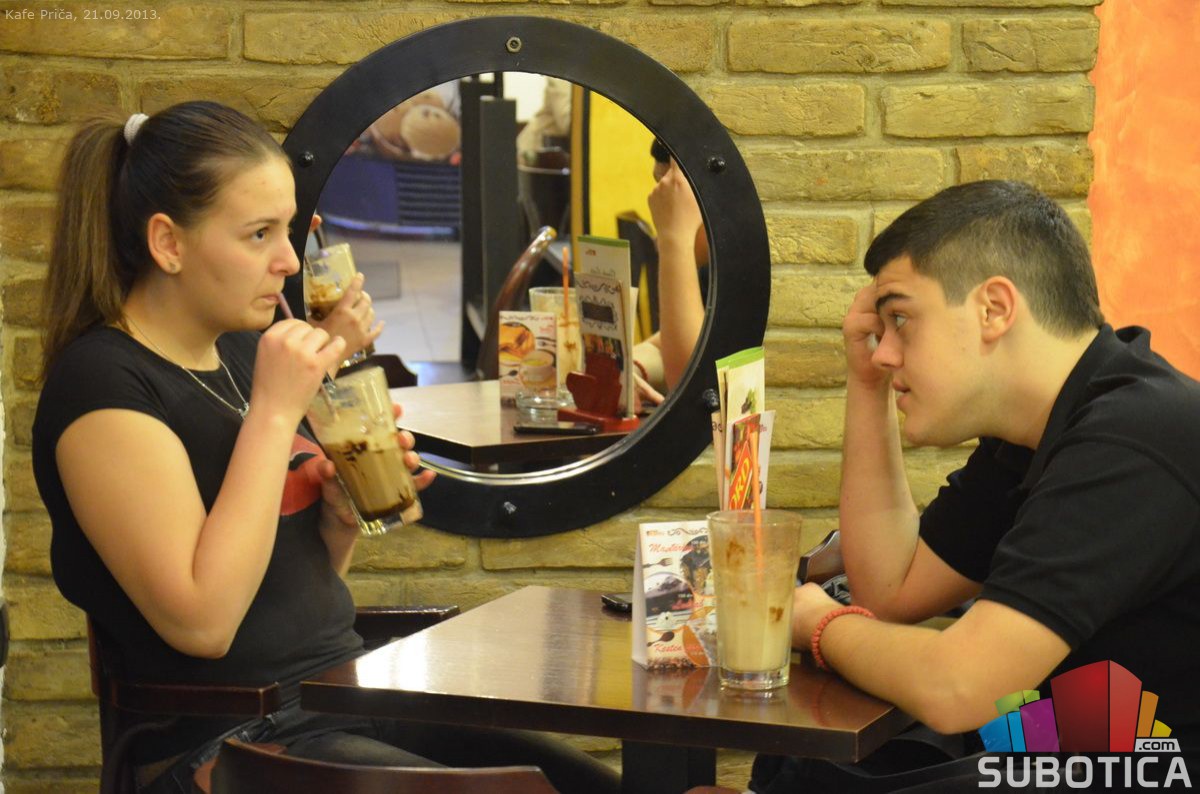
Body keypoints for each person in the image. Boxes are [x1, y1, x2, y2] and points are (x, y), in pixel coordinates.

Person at [32, 101, 620, 794]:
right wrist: (277, 412)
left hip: (336, 698)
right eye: (258, 234)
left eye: (287, 230)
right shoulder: (104, 386)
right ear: (168, 243)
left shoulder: (241, 352)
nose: (287, 260)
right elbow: (204, 623)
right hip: (222, 748)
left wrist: (339, 521)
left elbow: (299, 590)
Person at [754, 180, 1200, 791]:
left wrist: (816, 624)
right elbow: (891, 589)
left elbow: (959, 687)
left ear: (994, 309)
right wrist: (866, 384)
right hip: (1067, 754)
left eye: (901, 319)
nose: (884, 352)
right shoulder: (1036, 433)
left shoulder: (1132, 438)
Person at [632, 140, 708, 395]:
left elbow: (690, 383)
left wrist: (674, 236)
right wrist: (633, 368)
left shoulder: (747, 267)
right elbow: (662, 346)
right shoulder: (710, 272)